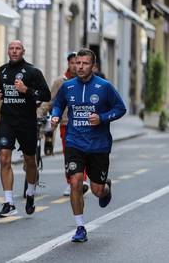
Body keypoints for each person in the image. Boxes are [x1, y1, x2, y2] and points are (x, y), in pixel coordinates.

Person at [51, 48, 126, 242]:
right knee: (75, 182)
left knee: (97, 190)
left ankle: (106, 187)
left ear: (93, 66)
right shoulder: (67, 86)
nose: (80, 66)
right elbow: (58, 104)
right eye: (78, 63)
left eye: (85, 63)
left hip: (98, 145)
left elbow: (120, 108)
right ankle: (80, 227)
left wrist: (101, 118)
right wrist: (56, 115)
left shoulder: (105, 87)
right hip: (74, 142)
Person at [0, 40, 51, 217]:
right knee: (4, 159)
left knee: (30, 161)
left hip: (26, 121)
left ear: (23, 51)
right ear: (7, 51)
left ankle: (31, 193)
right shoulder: (2, 70)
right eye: (11, 48)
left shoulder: (33, 72)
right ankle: (9, 202)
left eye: (17, 48)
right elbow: (3, 90)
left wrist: (26, 89)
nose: (14, 51)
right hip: (7, 120)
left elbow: (46, 95)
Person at [43, 52, 89, 196]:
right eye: (73, 63)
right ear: (68, 64)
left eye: (78, 63)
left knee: (84, 152)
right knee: (69, 155)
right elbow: (51, 101)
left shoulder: (87, 81)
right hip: (66, 124)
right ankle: (71, 182)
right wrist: (41, 113)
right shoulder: (60, 82)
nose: (76, 66)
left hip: (83, 123)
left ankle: (82, 181)